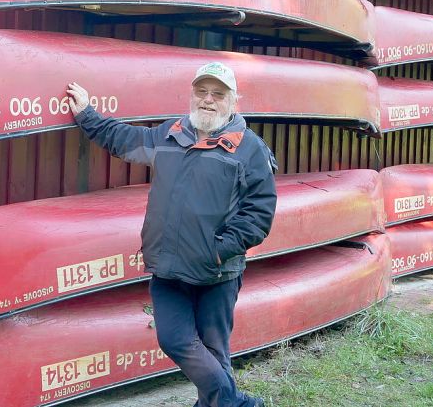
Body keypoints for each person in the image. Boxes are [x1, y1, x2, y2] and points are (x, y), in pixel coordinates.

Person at [66, 61, 276, 407]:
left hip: (217, 272)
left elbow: (259, 213)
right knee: (175, 340)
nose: (208, 100)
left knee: (213, 351)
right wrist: (88, 114)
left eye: (218, 94)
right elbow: (124, 139)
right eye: (201, 92)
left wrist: (219, 250)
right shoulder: (170, 135)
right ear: (192, 95)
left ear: (233, 101)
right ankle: (237, 403)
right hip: (168, 267)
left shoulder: (249, 150)